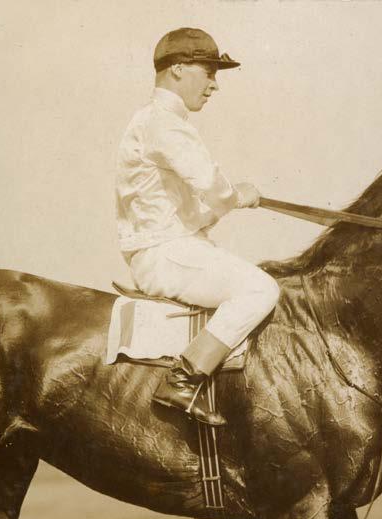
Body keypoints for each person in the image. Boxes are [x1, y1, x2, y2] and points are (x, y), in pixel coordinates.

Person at [115, 27, 280, 426]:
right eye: (208, 72)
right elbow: (211, 185)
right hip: (164, 253)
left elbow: (197, 211)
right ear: (177, 69)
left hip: (175, 246)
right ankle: (183, 379)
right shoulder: (162, 122)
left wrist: (230, 202)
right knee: (261, 288)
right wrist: (237, 195)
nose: (214, 85)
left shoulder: (161, 121)